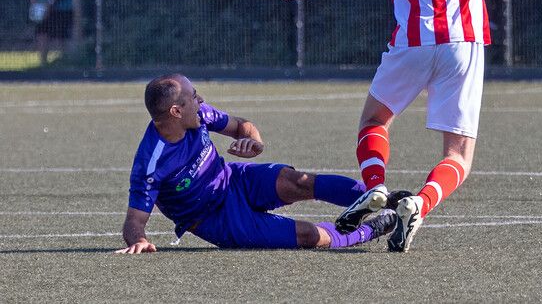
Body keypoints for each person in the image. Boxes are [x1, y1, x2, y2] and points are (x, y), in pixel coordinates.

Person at [279, 0, 542, 252]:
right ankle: (420, 204)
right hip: (463, 43)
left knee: (374, 121)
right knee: (457, 154)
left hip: (411, 43)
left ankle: (376, 187)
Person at [116, 73, 400, 254]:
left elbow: (242, 126)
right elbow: (134, 221)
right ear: (176, 111)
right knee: (306, 235)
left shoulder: (200, 114)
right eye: (193, 97)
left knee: (297, 181)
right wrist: (138, 240)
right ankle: (371, 229)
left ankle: (388, 201)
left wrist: (255, 142)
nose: (200, 99)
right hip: (218, 219)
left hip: (233, 178)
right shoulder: (151, 162)